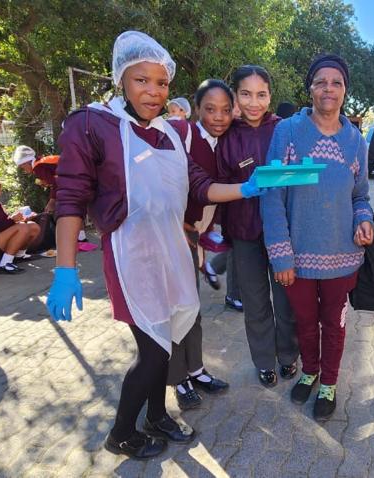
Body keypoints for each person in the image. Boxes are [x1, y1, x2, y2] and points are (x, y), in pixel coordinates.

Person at [46, 31, 267, 460]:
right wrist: (65, 269)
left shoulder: (171, 132)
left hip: (171, 249)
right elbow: (71, 196)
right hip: (131, 256)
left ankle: (156, 416)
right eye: (141, 80)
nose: (153, 91)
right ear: (120, 80)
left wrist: (246, 188)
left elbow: (199, 186)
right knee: (151, 351)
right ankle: (122, 433)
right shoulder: (93, 124)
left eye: (161, 82)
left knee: (167, 342)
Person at [262, 54, 374, 421]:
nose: (329, 88)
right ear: (309, 88)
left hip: (343, 257)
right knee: (304, 323)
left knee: (335, 324)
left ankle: (328, 382)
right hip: (298, 258)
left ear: (345, 90)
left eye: (337, 82)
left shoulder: (356, 140)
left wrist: (363, 219)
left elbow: (360, 195)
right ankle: (309, 370)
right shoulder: (288, 133)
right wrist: (281, 255)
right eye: (321, 81)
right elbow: (272, 195)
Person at [217, 65, 298, 388]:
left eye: (261, 94)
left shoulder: (285, 129)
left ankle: (289, 355)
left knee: (287, 300)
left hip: (283, 232)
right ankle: (264, 361)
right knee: (256, 302)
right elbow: (217, 183)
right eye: (246, 94)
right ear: (235, 96)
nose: (254, 102)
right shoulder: (226, 136)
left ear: (270, 96)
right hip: (245, 232)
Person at [167, 79, 235, 410]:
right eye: (210, 109)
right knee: (175, 309)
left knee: (191, 307)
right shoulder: (180, 134)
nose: (218, 117)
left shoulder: (227, 143)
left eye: (225, 110)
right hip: (170, 236)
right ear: (197, 109)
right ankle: (177, 377)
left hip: (195, 237)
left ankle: (195, 369)